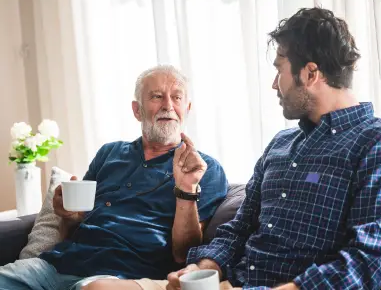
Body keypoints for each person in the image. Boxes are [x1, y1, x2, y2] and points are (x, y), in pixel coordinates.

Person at [86, 7, 381, 290]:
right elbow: (238, 229)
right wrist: (202, 268)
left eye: (280, 69)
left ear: (310, 74)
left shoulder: (380, 144)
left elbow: (369, 259)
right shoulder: (281, 144)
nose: (274, 84)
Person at [0, 65, 228, 290]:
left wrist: (186, 189)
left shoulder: (203, 169)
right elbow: (74, 225)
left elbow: (183, 254)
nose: (168, 105)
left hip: (120, 277)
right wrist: (67, 215)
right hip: (55, 266)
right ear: (137, 110)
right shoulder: (109, 153)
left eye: (176, 98)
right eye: (157, 96)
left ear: (187, 108)